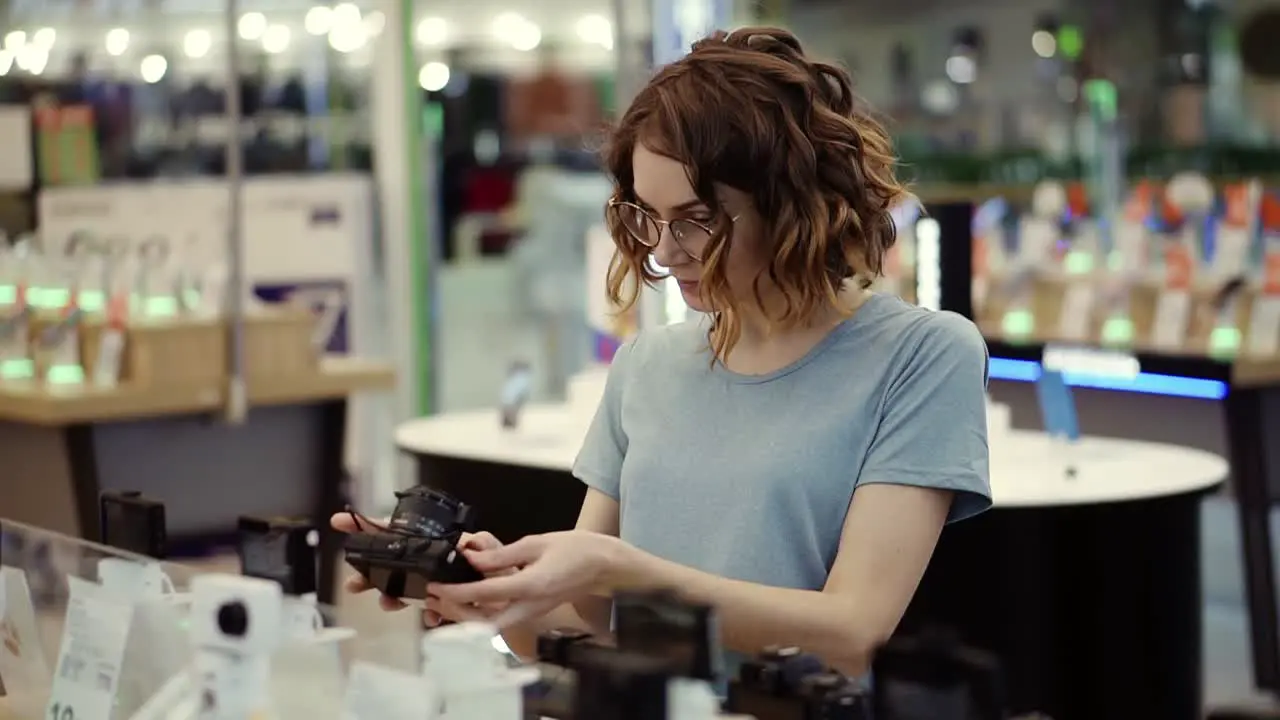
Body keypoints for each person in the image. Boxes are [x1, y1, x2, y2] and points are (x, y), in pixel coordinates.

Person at [333, 26, 991, 678]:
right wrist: (497, 601)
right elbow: (586, 624)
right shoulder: (647, 365)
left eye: (696, 219)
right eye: (649, 216)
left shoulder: (923, 357)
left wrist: (619, 569)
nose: (664, 251)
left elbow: (853, 629)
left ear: (789, 203)